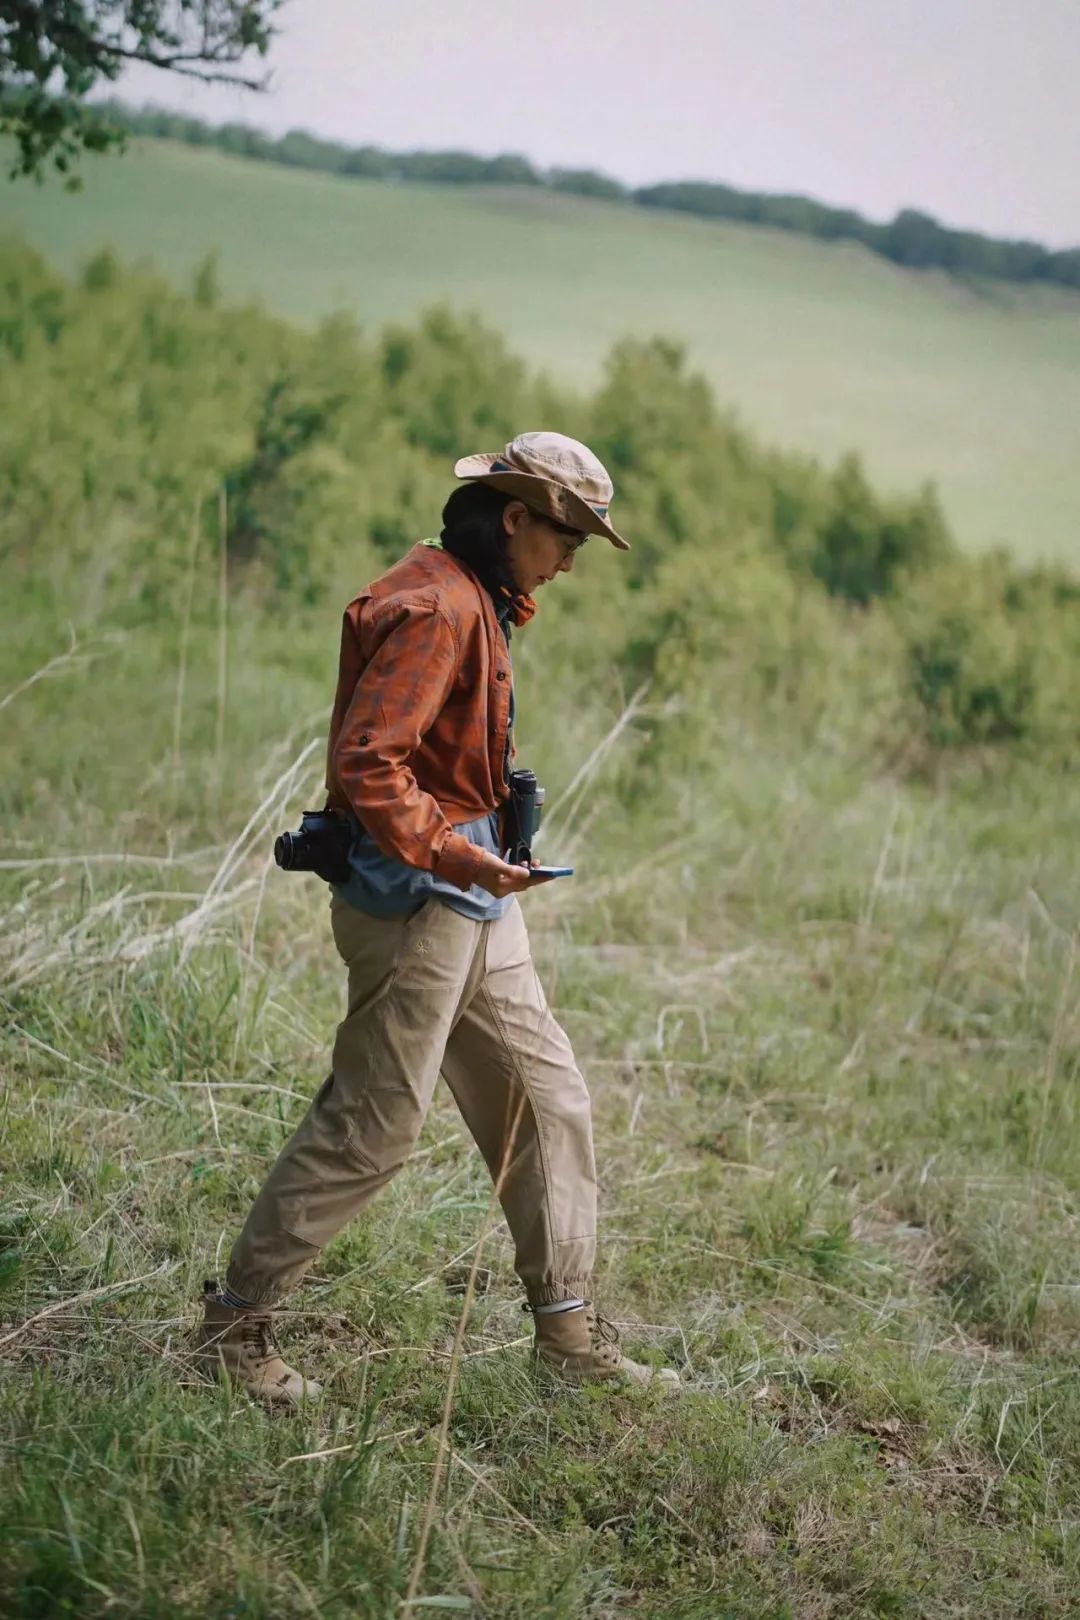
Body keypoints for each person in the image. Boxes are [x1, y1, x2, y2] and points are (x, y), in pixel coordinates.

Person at [192, 431, 679, 1403]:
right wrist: (460, 851)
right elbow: (373, 762)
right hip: (421, 902)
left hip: (470, 896)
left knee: (549, 1101)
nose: (574, 556)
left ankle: (568, 1340)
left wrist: (487, 851)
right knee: (375, 1124)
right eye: (566, 533)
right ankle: (232, 1333)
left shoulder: (478, 598)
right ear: (514, 521)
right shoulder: (439, 609)